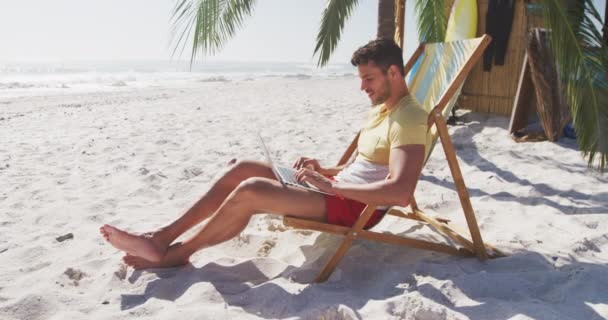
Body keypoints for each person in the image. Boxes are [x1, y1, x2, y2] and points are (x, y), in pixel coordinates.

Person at [100, 38, 432, 269]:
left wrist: (335, 187)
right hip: (339, 189)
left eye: (369, 78)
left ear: (393, 72)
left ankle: (180, 254)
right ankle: (160, 238)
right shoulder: (382, 109)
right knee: (243, 168)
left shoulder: (410, 118)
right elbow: (371, 162)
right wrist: (327, 170)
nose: (363, 87)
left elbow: (400, 191)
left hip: (356, 207)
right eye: (361, 79)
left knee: (251, 191)